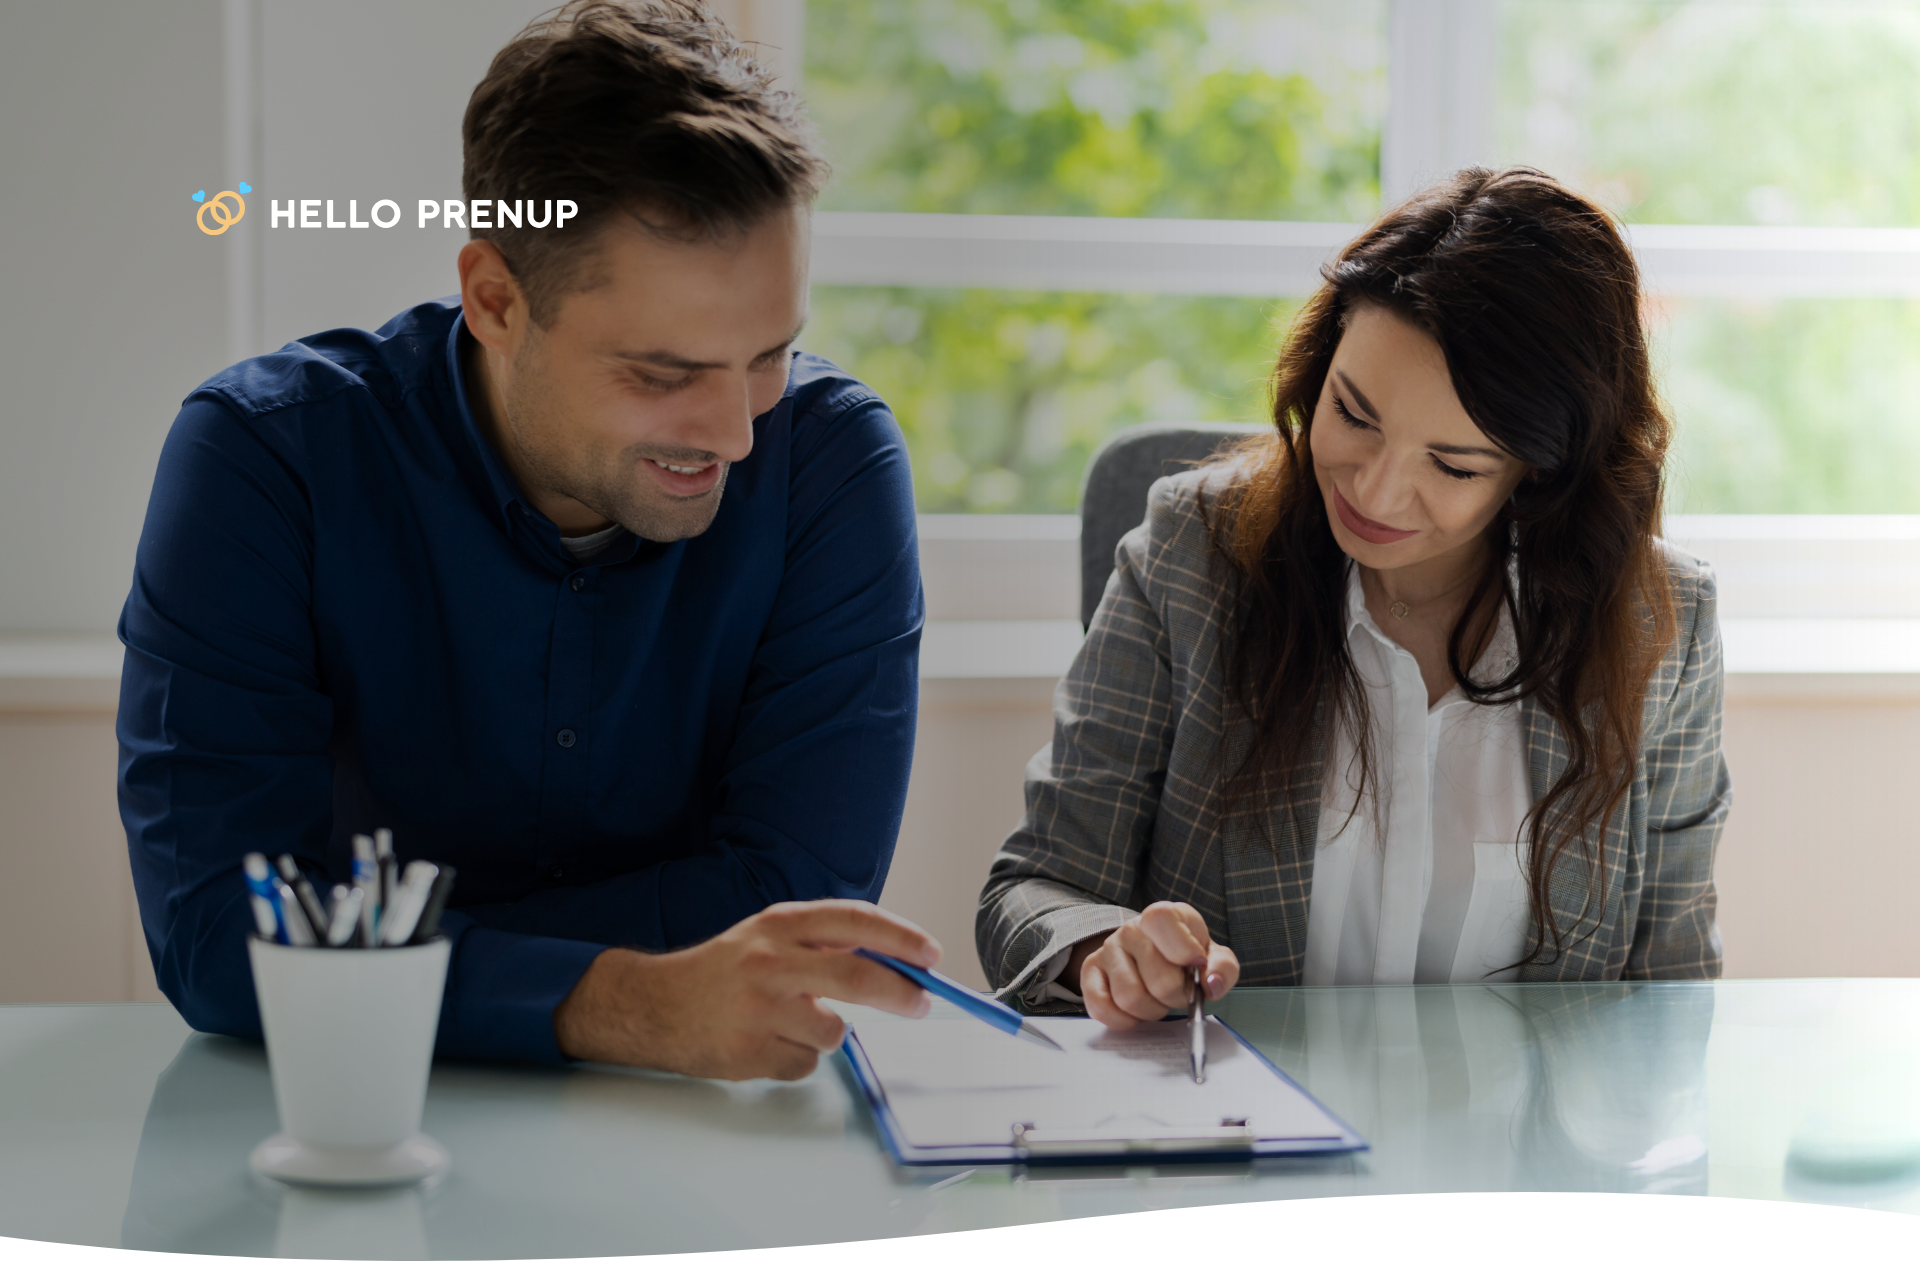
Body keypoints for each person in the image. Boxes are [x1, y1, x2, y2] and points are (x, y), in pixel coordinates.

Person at [118, 0, 940, 1082]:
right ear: (496, 298)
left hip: (695, 1142)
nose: (739, 432)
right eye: (661, 372)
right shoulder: (267, 461)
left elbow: (789, 905)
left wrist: (395, 945)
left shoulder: (831, 463)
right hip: (343, 1119)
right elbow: (215, 935)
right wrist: (620, 1000)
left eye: (769, 354)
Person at [977, 167, 1730, 1029]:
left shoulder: (1659, 626)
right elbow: (1032, 887)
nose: (1374, 491)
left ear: (1542, 474)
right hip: (1248, 1146)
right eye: (1354, 413)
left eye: (1450, 465)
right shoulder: (1192, 555)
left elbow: (1673, 988)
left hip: (1520, 1160)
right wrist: (1102, 952)